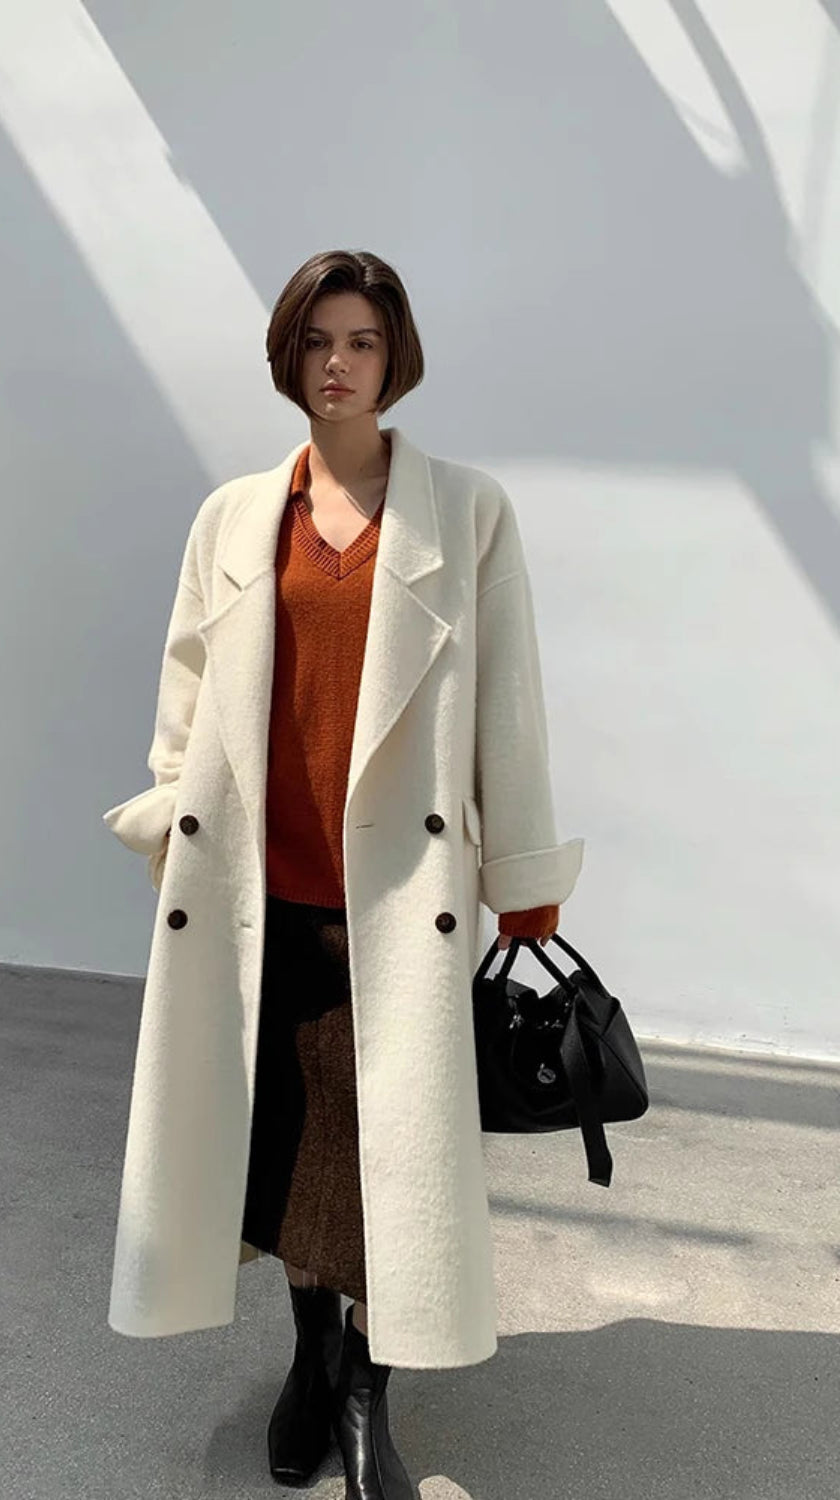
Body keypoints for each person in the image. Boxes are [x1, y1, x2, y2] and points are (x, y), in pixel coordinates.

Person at [102, 249, 584, 1498]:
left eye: (361, 341)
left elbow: (510, 710)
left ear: (394, 356)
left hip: (395, 907)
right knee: (287, 1153)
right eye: (316, 340)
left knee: (385, 1164)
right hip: (258, 896)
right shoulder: (233, 515)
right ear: (288, 355)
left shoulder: (464, 512)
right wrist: (170, 819)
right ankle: (311, 1364)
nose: (337, 365)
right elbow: (189, 689)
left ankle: (370, 1393)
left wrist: (522, 869)